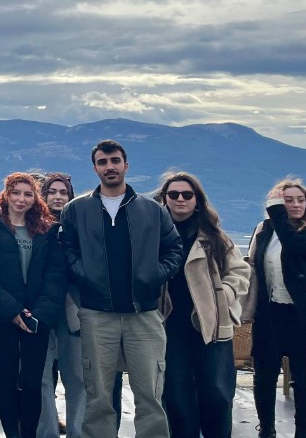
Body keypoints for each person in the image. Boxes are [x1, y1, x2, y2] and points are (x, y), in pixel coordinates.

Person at [58, 139, 183, 438]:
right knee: (98, 395)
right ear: (95, 168)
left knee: (150, 395)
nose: (109, 166)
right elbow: (67, 251)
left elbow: (174, 249)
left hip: (144, 314)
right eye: (103, 162)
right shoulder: (76, 210)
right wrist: (85, 275)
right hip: (96, 315)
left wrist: (154, 275)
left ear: (126, 165)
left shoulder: (153, 210)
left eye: (114, 160)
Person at [0, 172, 67, 438]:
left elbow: (56, 276)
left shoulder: (46, 231)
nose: (21, 199)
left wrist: (40, 314)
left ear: (35, 198)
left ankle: (29, 434)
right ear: (6, 195)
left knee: (32, 384)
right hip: (4, 318)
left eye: (27, 194)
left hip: (37, 319)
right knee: (8, 381)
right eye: (16, 193)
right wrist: (11, 311)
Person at [152, 172, 249, 438]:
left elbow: (240, 271)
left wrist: (224, 295)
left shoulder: (215, 237)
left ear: (197, 199)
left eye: (187, 194)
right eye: (173, 194)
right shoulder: (153, 236)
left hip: (212, 326)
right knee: (176, 395)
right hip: (170, 326)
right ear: (165, 199)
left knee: (217, 393)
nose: (180, 199)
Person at [245, 179, 306, 438]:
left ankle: (303, 432)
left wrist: (276, 209)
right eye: (288, 199)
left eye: (300, 199)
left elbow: (294, 244)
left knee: (305, 379)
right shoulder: (264, 229)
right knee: (264, 375)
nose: (295, 204)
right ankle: (267, 430)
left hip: (303, 316)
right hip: (270, 312)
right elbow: (252, 266)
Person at [36, 173, 88, 438]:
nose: (58, 197)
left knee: (77, 376)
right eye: (52, 192)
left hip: (73, 309)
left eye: (63, 192)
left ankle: (77, 431)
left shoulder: (79, 226)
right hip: (42, 308)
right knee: (43, 377)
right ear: (43, 196)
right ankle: (48, 431)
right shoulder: (34, 227)